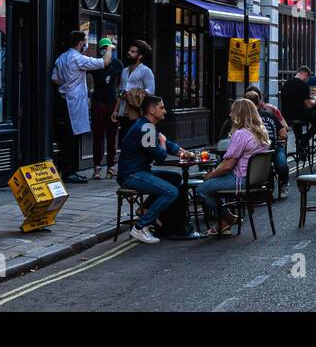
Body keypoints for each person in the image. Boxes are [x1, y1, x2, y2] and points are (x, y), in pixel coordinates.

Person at [117, 95, 194, 243]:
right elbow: (160, 156)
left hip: (141, 172)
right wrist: (163, 142)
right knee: (171, 192)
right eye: (162, 107)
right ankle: (140, 227)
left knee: (175, 178)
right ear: (152, 110)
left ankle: (145, 209)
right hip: (131, 175)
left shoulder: (147, 125)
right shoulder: (145, 128)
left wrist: (184, 152)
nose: (165, 111)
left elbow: (166, 144)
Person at [197, 99, 270, 236]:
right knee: (215, 184)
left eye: (232, 111)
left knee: (202, 189)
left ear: (239, 114)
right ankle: (224, 224)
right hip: (256, 179)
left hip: (240, 179)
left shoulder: (241, 134)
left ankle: (229, 218)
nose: (230, 115)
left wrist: (210, 175)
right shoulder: (261, 132)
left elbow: (228, 165)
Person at [52, 31, 112, 183]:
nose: (85, 45)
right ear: (80, 44)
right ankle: (69, 171)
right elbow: (104, 62)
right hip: (75, 101)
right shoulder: (78, 58)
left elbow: (56, 79)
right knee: (72, 136)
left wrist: (67, 85)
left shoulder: (62, 58)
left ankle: (66, 169)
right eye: (85, 42)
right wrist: (110, 47)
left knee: (66, 135)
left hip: (64, 99)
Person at [245, 87, 290, 197]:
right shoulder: (251, 117)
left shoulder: (268, 113)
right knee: (282, 165)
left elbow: (284, 132)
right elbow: (284, 134)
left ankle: (283, 184)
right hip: (267, 148)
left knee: (282, 164)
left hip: (271, 148)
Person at [89, 37, 124, 179]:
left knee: (112, 136)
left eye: (108, 48)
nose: (106, 51)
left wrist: (117, 95)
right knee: (97, 136)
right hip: (98, 102)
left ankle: (111, 166)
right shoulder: (96, 63)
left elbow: (121, 82)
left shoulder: (117, 64)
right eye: (104, 48)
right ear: (100, 50)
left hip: (111, 102)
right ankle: (97, 166)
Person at [113, 40, 155, 133]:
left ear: (140, 56)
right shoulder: (124, 71)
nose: (129, 52)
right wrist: (115, 110)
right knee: (124, 141)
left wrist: (133, 93)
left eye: (132, 51)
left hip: (137, 113)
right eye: (129, 50)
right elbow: (121, 92)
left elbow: (151, 91)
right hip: (123, 113)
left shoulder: (146, 71)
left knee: (135, 142)